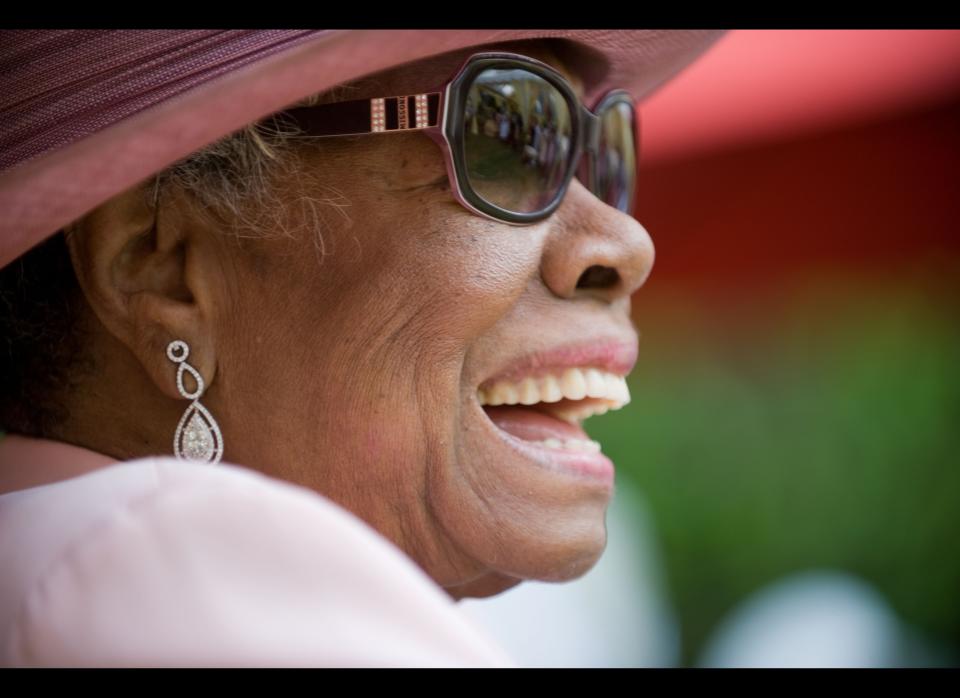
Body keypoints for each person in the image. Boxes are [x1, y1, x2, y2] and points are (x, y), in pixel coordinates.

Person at [0, 30, 726, 667]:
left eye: (601, 153)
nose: (627, 244)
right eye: (504, 137)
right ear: (161, 266)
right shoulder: (182, 574)